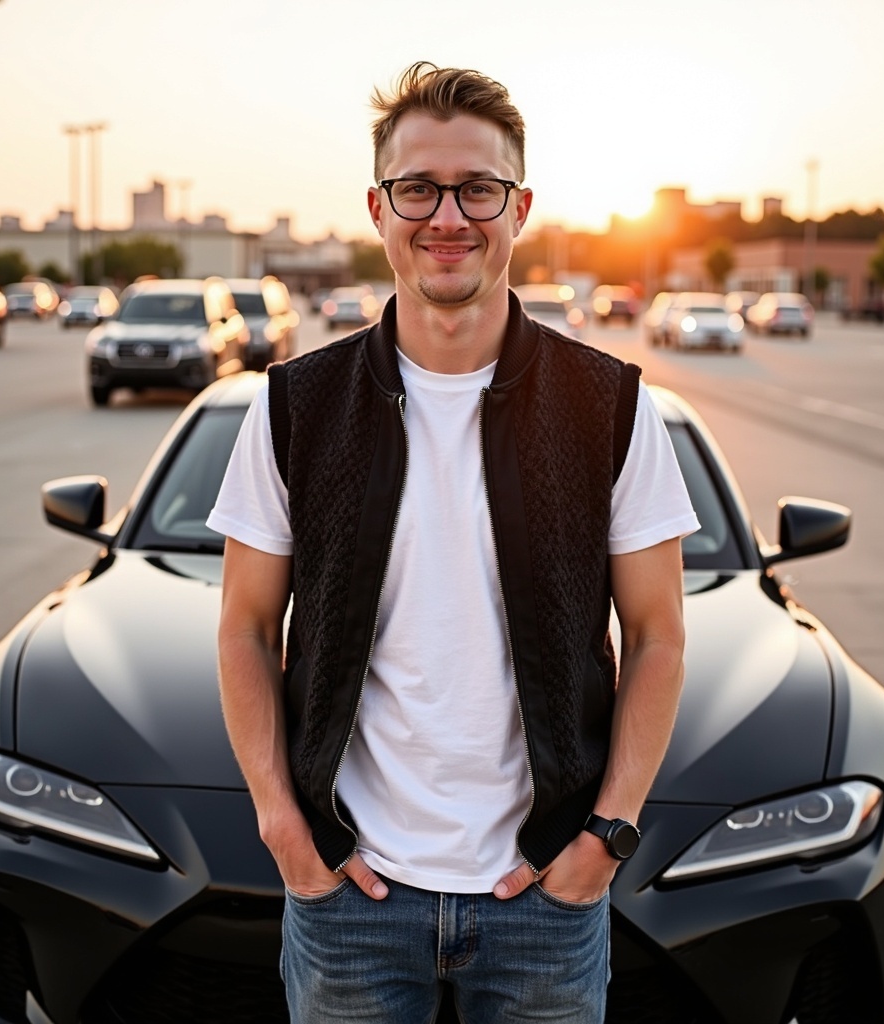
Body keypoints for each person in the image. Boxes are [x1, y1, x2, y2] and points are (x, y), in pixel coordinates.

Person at [208, 61, 699, 1024]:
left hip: (546, 902)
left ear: (519, 206)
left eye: (477, 188)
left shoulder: (611, 407)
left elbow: (657, 637)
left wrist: (606, 835)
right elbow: (244, 628)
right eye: (418, 188)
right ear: (377, 207)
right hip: (350, 897)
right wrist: (281, 823)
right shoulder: (293, 409)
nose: (448, 217)